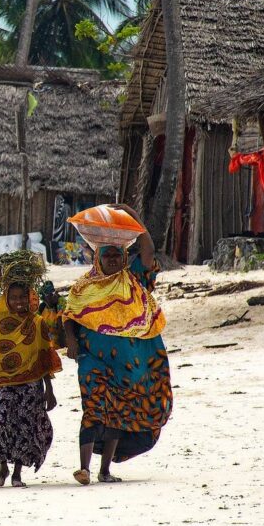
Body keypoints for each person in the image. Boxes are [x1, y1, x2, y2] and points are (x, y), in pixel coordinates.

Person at [62, 204, 173, 485]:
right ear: (97, 257)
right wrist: (71, 341)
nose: (112, 259)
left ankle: (104, 470)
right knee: (93, 409)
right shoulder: (84, 286)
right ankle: (84, 468)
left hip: (126, 365)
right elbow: (69, 315)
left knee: (116, 415)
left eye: (116, 255)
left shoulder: (134, 279)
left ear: (124, 257)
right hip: (92, 359)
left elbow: (148, 252)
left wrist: (134, 216)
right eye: (107, 255)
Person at [0, 252, 59, 488]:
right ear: (6, 298)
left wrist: (49, 390)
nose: (19, 302)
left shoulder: (36, 322)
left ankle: (18, 472)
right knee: (2, 423)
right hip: (2, 384)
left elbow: (44, 357)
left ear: (30, 297)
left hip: (31, 385)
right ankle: (2, 468)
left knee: (25, 426)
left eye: (23, 297)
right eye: (14, 297)